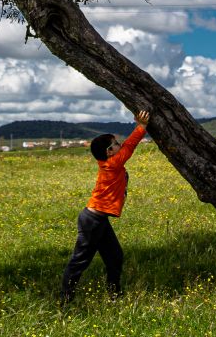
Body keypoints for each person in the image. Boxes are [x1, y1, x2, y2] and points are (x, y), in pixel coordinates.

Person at [60, 109, 150, 304]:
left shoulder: (110, 162)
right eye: (116, 143)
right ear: (110, 152)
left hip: (99, 220)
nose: (120, 144)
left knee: (115, 257)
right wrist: (141, 127)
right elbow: (130, 147)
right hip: (92, 221)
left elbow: (125, 147)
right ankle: (65, 300)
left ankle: (114, 296)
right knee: (79, 262)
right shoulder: (112, 164)